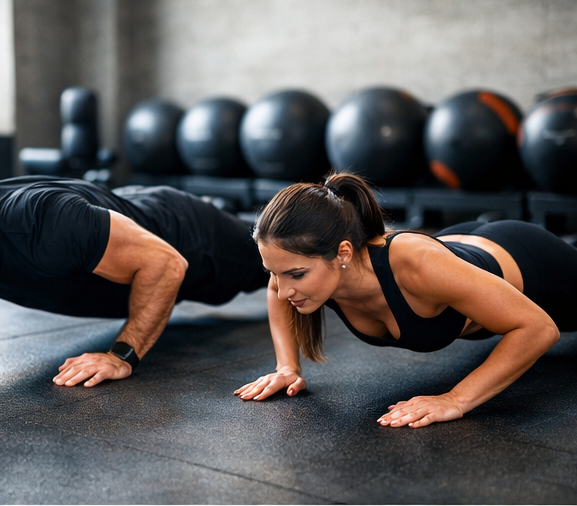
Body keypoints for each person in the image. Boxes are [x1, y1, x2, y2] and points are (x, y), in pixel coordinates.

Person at [0, 165, 269, 387]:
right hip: (121, 218)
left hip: (191, 236)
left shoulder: (48, 223)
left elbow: (167, 264)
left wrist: (121, 356)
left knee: (282, 256)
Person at [236, 173, 577, 427]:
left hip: (529, 259)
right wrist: (287, 367)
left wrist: (456, 399)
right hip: (458, 249)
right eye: (273, 272)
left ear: (343, 252)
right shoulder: (313, 273)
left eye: (295, 275)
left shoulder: (416, 266)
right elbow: (275, 291)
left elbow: (537, 327)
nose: (283, 289)